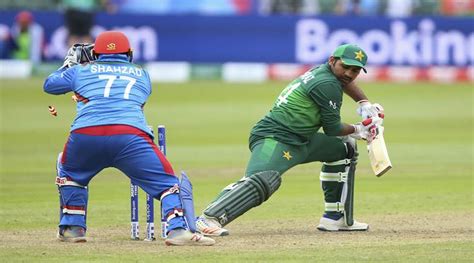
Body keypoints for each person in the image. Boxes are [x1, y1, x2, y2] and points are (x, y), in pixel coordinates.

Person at [43, 31, 215, 246]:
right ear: (130, 53)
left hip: (86, 135)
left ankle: (72, 228)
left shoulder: (80, 70)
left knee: (70, 173)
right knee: (167, 184)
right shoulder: (142, 74)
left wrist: (69, 65)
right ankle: (177, 230)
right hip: (130, 135)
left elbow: (49, 85)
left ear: (95, 53)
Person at [196, 44, 384, 236]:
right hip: (274, 138)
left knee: (343, 149)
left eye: (355, 70)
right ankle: (208, 218)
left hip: (302, 140)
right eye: (345, 67)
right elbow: (333, 128)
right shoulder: (326, 84)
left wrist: (363, 102)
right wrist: (360, 129)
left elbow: (345, 82)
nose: (349, 74)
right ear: (332, 61)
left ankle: (335, 218)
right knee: (263, 179)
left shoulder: (326, 72)